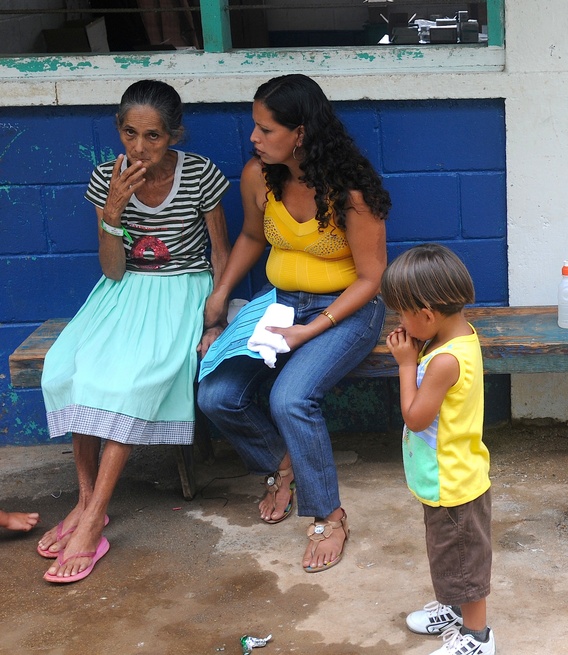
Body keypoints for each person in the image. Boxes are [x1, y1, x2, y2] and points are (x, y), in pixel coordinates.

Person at [37, 80, 231, 583]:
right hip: (125, 290)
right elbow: (113, 271)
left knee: (127, 383)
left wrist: (216, 316)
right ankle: (88, 505)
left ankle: (94, 516)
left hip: (181, 291)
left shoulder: (201, 175)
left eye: (153, 136)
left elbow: (221, 255)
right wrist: (114, 214)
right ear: (118, 131)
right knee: (71, 368)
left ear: (173, 135)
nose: (139, 148)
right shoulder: (106, 178)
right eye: (129, 133)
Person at [197, 74, 390, 573]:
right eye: (254, 127)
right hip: (278, 303)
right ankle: (283, 463)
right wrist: (221, 295)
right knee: (216, 395)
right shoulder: (258, 177)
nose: (254, 138)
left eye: (265, 129)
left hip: (347, 309)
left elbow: (371, 279)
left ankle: (329, 514)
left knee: (291, 398)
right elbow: (250, 237)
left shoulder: (350, 190)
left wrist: (313, 328)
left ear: (300, 133)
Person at [382, 244, 496, 655]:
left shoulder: (444, 361)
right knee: (450, 556)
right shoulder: (460, 335)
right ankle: (452, 609)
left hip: (454, 484)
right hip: (447, 474)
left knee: (463, 561)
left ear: (427, 315)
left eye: (401, 313)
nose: (399, 322)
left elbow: (415, 417)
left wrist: (405, 365)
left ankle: (477, 636)